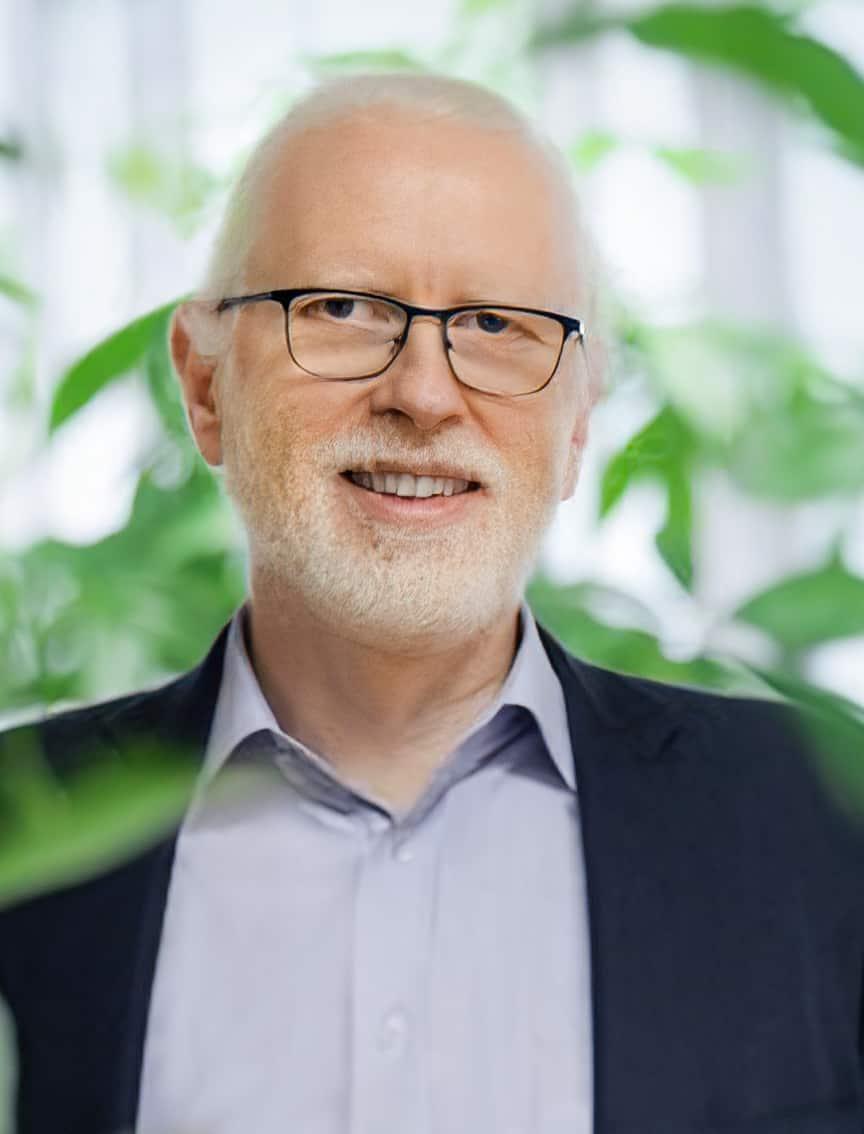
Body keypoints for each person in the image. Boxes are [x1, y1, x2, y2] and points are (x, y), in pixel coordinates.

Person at [1, 72, 862, 1134]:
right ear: (206, 385)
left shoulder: (830, 827)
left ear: (578, 422)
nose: (423, 392)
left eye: (499, 323)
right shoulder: (15, 837)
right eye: (344, 308)